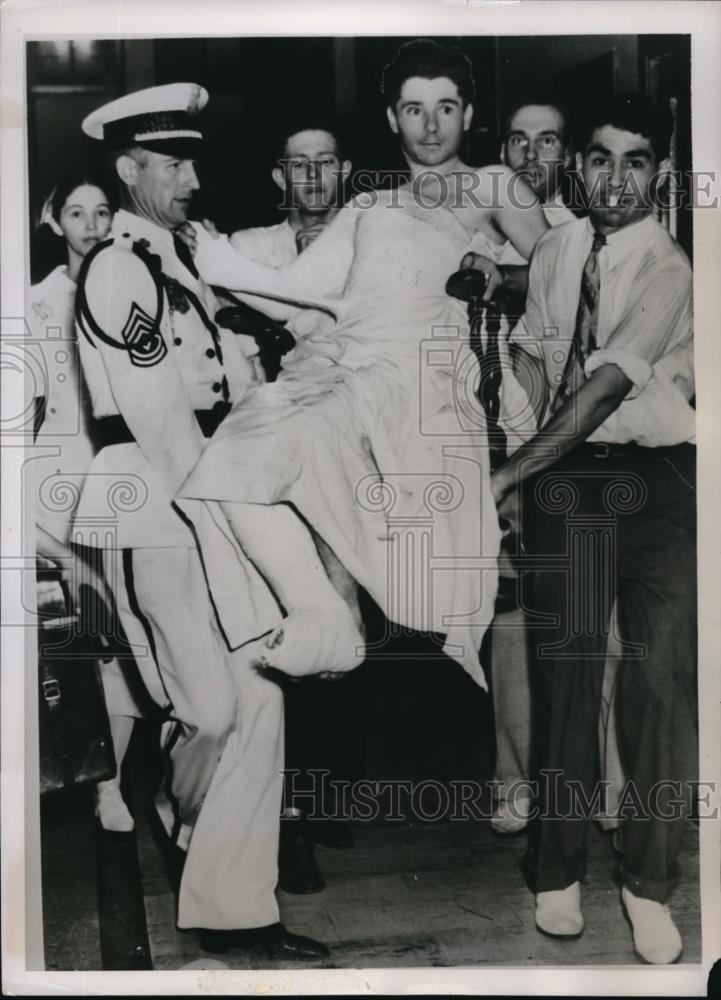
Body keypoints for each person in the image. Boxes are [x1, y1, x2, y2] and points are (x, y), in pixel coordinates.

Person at [176, 40, 549, 694]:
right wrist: (216, 263)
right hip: (355, 378)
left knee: (446, 600)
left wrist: (500, 273)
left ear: (467, 113)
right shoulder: (368, 207)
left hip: (431, 392)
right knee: (237, 452)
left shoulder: (492, 184)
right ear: (390, 119)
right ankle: (325, 616)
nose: (429, 126)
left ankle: (477, 762)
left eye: (444, 108)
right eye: (413, 109)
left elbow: (563, 275)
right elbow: (290, 291)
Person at [72, 82, 328, 961]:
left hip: (213, 496)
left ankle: (235, 910)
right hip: (155, 505)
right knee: (210, 709)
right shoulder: (119, 267)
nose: (190, 178)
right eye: (171, 163)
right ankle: (170, 805)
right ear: (126, 167)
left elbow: (237, 391)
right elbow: (161, 421)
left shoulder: (184, 259)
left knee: (259, 699)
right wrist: (228, 524)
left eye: (192, 162)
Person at [489, 95, 696, 964]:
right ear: (579, 165)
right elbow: (538, 364)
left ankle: (648, 886)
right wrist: (521, 476)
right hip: (563, 482)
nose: (617, 178)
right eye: (602, 158)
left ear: (662, 175)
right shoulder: (553, 247)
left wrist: (508, 470)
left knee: (662, 682)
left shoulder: (673, 267)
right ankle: (557, 872)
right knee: (564, 675)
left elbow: (608, 384)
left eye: (637, 161)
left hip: (659, 479)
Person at [467, 98, 625, 836]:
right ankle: (512, 779)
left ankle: (608, 781)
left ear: (569, 153)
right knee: (511, 613)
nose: (532, 154)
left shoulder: (597, 233)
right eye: (518, 140)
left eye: (549, 141)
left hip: (593, 443)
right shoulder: (472, 217)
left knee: (605, 616)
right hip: (504, 439)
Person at [227, 115, 359, 893]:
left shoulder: (371, 245)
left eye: (325, 163)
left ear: (344, 171)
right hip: (267, 460)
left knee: (345, 622)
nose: (312, 177)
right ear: (279, 175)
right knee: (289, 625)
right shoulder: (246, 249)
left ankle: (328, 791)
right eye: (297, 164)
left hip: (348, 454)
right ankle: (292, 825)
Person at [28, 174, 146, 833]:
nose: (91, 225)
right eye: (77, 212)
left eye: (103, 212)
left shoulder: (132, 292)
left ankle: (113, 784)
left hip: (121, 483)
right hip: (57, 487)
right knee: (60, 647)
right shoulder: (36, 305)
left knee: (117, 643)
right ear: (54, 220)